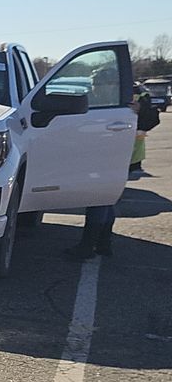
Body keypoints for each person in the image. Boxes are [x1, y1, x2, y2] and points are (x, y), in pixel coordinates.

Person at [66, 88, 147, 259]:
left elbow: (151, 119)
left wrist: (141, 110)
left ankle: (88, 245)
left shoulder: (126, 100)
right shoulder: (116, 98)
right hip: (115, 154)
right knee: (107, 200)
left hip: (113, 154)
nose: (95, 85)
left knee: (99, 198)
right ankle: (103, 243)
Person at [131, 84, 159, 177]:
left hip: (137, 126)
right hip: (138, 126)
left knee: (138, 145)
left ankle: (135, 166)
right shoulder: (140, 91)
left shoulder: (138, 93)